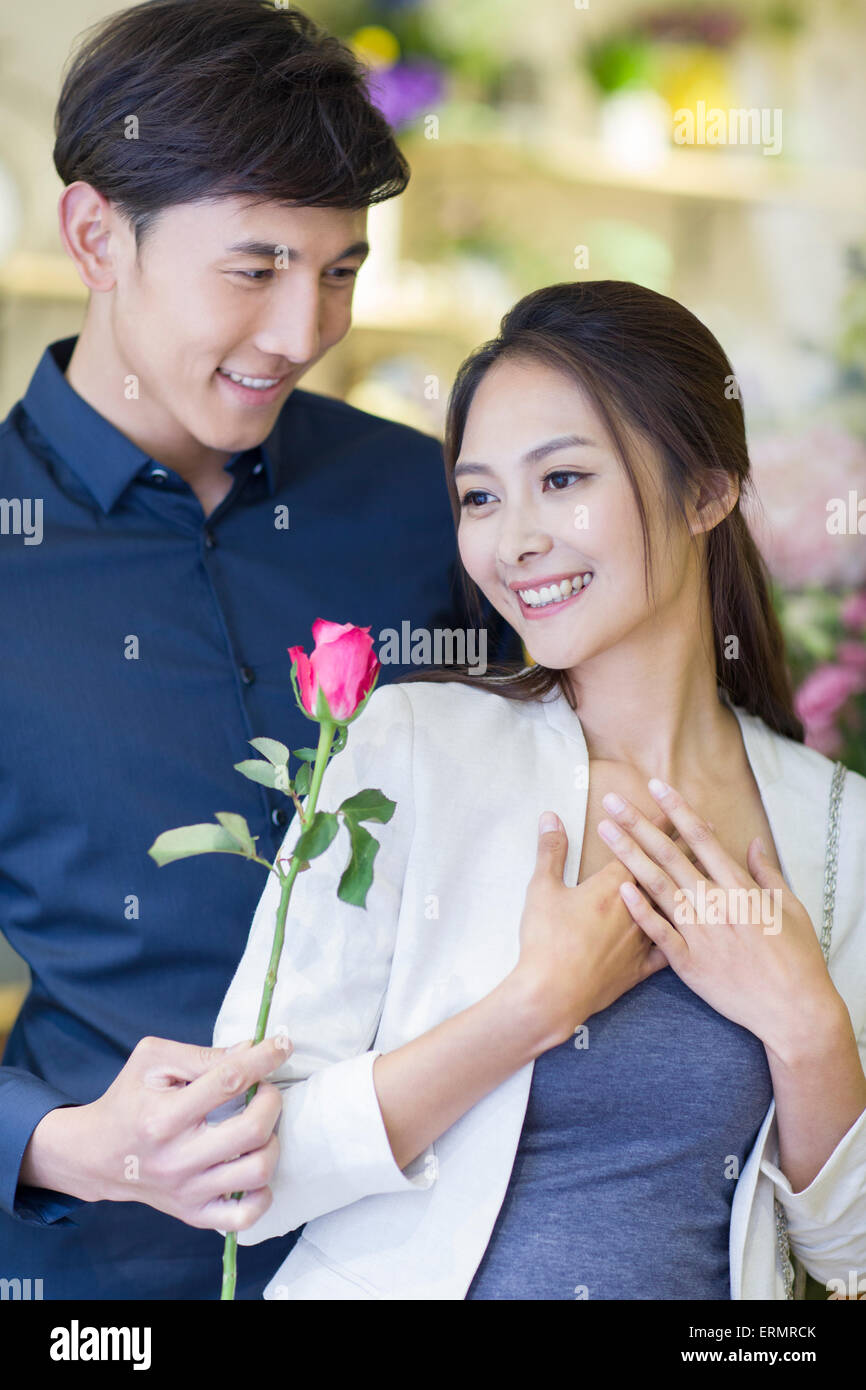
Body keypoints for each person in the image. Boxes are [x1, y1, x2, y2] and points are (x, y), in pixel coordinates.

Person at [0, 0, 519, 1300]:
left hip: (443, 1244)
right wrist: (59, 1142)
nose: (305, 329)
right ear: (93, 235)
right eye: (256, 266)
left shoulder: (435, 499)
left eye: (341, 268)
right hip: (102, 1277)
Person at [214, 279, 866, 1300]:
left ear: (704, 488)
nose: (511, 540)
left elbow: (846, 1260)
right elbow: (242, 1154)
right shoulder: (406, 747)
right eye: (479, 496)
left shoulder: (835, 828)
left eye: (560, 479)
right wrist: (530, 1008)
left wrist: (807, 1029)